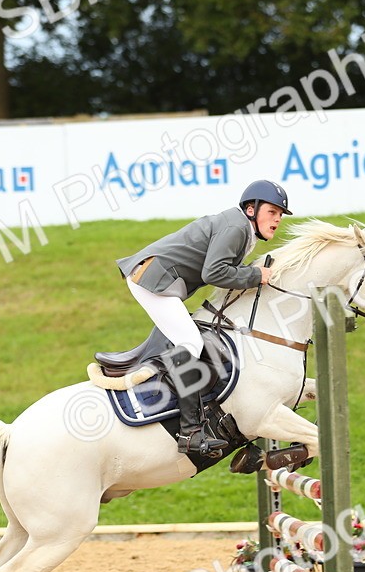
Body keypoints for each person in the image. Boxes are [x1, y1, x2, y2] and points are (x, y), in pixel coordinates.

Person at [115, 179, 292, 457]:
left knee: (190, 339)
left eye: (280, 215)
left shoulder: (240, 228)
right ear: (251, 209)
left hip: (158, 279)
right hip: (151, 279)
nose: (277, 219)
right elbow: (214, 273)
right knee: (190, 343)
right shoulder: (236, 227)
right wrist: (256, 276)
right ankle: (190, 432)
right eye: (272, 212)